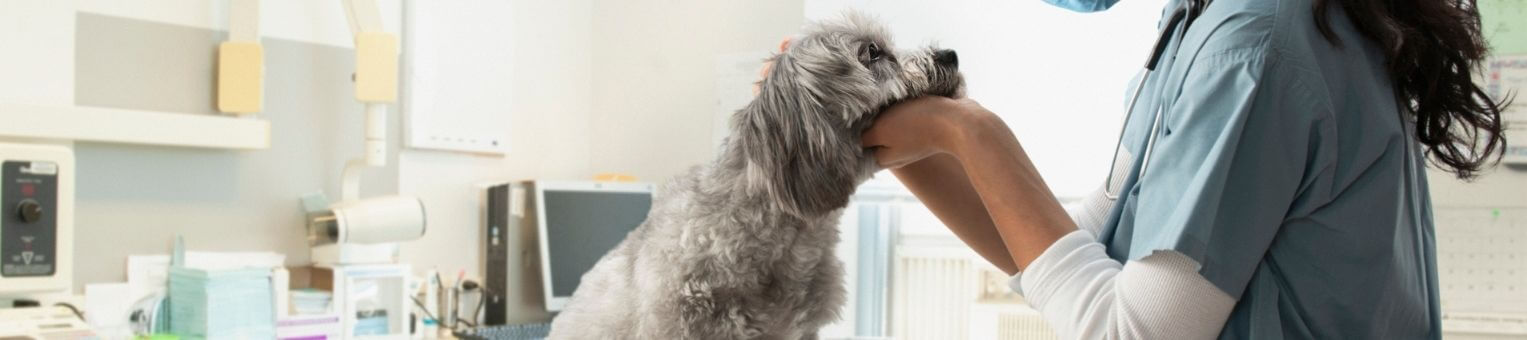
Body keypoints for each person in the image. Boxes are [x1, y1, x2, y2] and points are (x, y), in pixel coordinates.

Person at [855, 0, 1509, 338]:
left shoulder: (1255, 49)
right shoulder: (1200, 17)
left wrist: (965, 131)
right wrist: (876, 134)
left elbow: (1128, 332)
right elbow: (1071, 242)